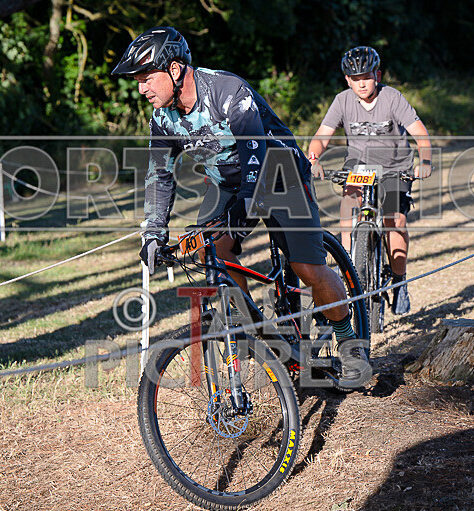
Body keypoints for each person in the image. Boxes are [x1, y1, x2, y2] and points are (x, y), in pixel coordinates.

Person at [112, 27, 370, 385]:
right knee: (209, 249)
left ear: (174, 69)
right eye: (138, 81)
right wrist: (154, 232)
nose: (141, 89)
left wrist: (244, 205)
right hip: (227, 183)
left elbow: (254, 155)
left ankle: (349, 341)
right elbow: (159, 176)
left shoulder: (227, 91)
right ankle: (254, 331)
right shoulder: (162, 119)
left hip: (279, 173)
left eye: (146, 78)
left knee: (307, 268)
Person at [307, 46, 433, 316]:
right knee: (348, 210)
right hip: (360, 166)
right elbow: (321, 137)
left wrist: (425, 162)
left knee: (394, 220)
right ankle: (350, 271)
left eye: (366, 77)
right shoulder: (342, 101)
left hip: (395, 167)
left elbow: (420, 134)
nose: (361, 83)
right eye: (355, 79)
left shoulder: (392, 98)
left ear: (377, 75)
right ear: (347, 80)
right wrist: (314, 159)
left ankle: (399, 281)